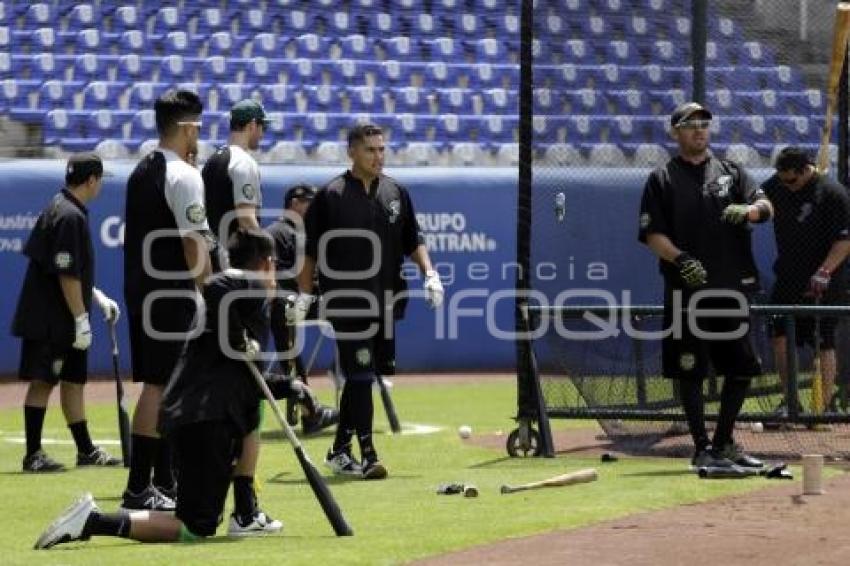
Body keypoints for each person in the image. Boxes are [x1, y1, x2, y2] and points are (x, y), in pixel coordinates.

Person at [34, 229, 283, 549]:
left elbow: (248, 380)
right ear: (265, 263)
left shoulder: (247, 302)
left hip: (201, 418)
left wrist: (289, 384)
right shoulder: (246, 285)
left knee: (199, 516)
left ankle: (246, 513)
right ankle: (92, 520)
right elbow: (215, 285)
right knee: (194, 527)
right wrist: (239, 338)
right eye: (275, 263)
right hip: (204, 421)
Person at [202, 101, 334, 532]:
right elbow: (246, 225)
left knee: (227, 395)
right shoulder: (243, 163)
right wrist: (266, 277)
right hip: (242, 286)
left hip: (219, 282)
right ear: (251, 125)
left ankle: (228, 500)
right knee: (250, 400)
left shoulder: (211, 163)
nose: (263, 135)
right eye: (262, 127)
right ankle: (245, 509)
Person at [291, 123, 444, 479]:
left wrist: (430, 273)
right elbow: (310, 253)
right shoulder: (331, 195)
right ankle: (368, 455)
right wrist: (303, 295)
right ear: (352, 153)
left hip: (387, 302)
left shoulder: (396, 192)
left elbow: (412, 239)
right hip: (346, 302)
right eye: (370, 150)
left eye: (381, 150)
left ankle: (339, 449)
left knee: (367, 375)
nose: (378, 156)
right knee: (360, 376)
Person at [637, 102, 774, 471]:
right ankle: (701, 449)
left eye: (704, 124)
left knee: (742, 367)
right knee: (690, 370)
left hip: (731, 287)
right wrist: (680, 258)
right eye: (690, 124)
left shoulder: (731, 171)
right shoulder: (662, 178)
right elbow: (652, 234)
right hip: (687, 291)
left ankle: (724, 442)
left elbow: (765, 205)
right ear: (675, 132)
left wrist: (749, 212)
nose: (699, 130)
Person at [121, 89, 209, 510]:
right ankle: (140, 486)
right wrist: (211, 292)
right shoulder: (185, 176)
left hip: (144, 291)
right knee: (162, 388)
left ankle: (162, 482)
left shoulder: (142, 170)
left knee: (161, 385)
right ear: (188, 127)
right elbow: (195, 246)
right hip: (172, 294)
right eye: (198, 129)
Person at [12, 153, 121, 472]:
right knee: (44, 382)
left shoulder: (63, 207)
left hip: (66, 318)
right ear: (91, 180)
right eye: (100, 179)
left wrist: (94, 296)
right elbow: (65, 272)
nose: (100, 185)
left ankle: (86, 451)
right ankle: (33, 455)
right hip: (53, 320)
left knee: (74, 381)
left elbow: (67, 268)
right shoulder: (69, 215)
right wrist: (80, 318)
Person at [762, 146, 850, 414]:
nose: (787, 186)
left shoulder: (832, 193)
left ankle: (822, 408)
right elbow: (758, 199)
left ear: (806, 170)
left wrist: (824, 271)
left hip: (824, 279)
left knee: (824, 340)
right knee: (779, 335)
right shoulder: (777, 186)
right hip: (788, 276)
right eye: (782, 179)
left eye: (792, 180)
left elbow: (845, 241)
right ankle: (790, 402)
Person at [266, 184, 338, 435]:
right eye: (310, 202)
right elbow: (271, 276)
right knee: (283, 307)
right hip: (290, 302)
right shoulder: (276, 232)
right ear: (295, 203)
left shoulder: (313, 233)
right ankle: (307, 404)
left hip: (316, 300)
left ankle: (349, 370)